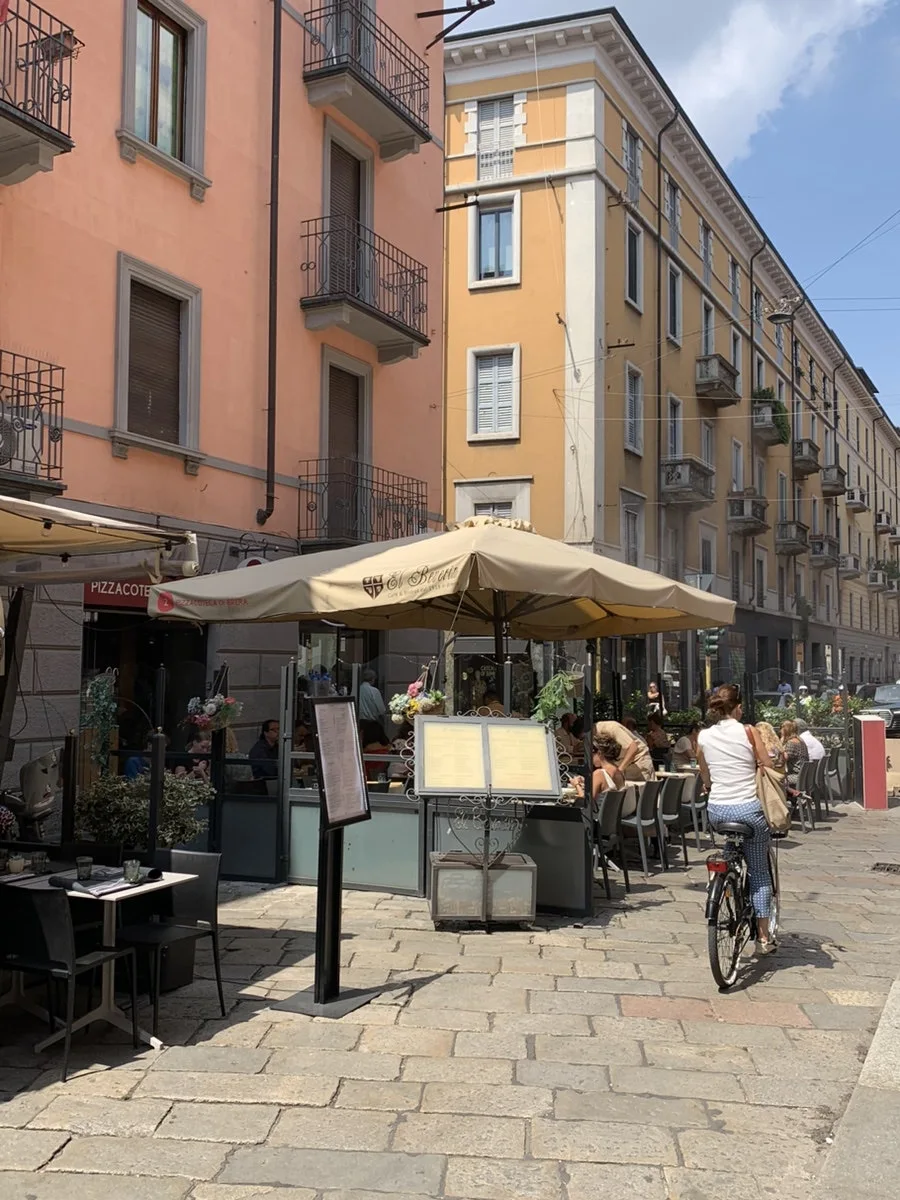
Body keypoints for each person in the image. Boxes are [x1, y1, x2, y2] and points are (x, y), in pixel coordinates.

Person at [697, 683, 776, 956]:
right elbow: (767, 764)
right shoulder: (748, 731)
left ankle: (723, 881)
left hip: (717, 811)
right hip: (748, 810)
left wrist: (710, 784)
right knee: (759, 873)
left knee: (731, 848)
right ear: (739, 707)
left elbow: (704, 772)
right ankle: (763, 938)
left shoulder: (704, 736)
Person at [573, 732, 626, 803]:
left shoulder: (599, 774)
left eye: (591, 754)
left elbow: (587, 802)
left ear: (599, 753)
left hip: (597, 810)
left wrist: (576, 784)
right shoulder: (618, 771)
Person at [779, 719, 809, 791]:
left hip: (796, 776)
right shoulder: (800, 740)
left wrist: (780, 744)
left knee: (776, 778)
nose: (780, 731)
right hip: (803, 775)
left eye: (781, 728)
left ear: (786, 730)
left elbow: (782, 760)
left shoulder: (791, 743)